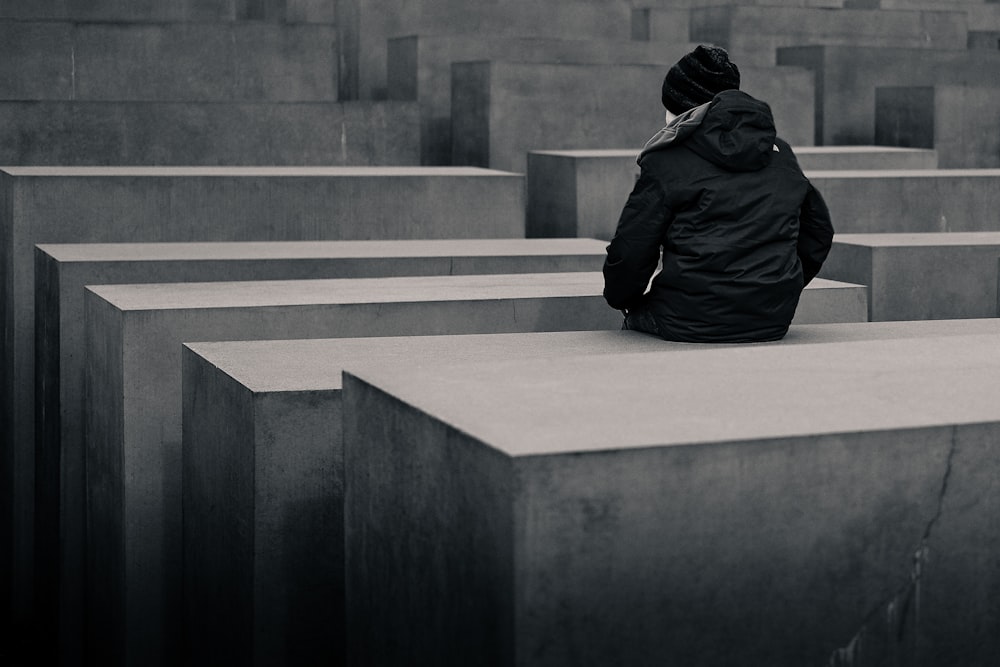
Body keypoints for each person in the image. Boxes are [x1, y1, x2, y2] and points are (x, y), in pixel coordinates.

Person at [603, 45, 834, 343]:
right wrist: (778, 286)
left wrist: (621, 298)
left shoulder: (666, 160)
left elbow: (632, 247)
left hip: (687, 320)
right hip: (772, 319)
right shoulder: (779, 154)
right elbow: (819, 231)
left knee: (630, 331)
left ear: (683, 110)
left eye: (668, 106)